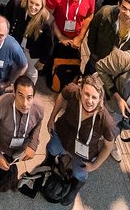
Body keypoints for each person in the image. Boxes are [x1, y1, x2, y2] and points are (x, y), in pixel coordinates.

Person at [43, 75, 114, 205]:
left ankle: (75, 188)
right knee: (52, 148)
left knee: (80, 173)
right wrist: (52, 118)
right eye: (87, 94)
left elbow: (108, 146)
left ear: (100, 99)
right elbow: (62, 96)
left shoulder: (106, 121)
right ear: (80, 91)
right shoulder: (72, 91)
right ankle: (49, 163)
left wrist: (95, 165)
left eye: (94, 97)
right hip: (63, 136)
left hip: (84, 153)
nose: (89, 101)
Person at [0, 75, 44, 194]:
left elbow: (38, 124)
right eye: (21, 96)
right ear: (14, 92)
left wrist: (33, 145)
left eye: (29, 98)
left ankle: (10, 174)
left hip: (20, 146)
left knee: (13, 161)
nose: (25, 103)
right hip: (0, 143)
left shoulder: (38, 108)